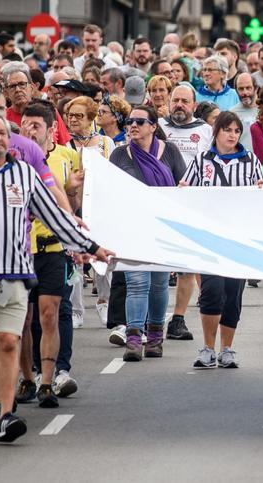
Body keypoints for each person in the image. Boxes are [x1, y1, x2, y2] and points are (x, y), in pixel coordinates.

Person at [0, 112, 110, 443]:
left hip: (14, 275)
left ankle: (5, 413)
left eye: (3, 133)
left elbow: (54, 215)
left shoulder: (24, 175)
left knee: (7, 341)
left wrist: (91, 247)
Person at [181, 112, 263, 370]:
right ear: (216, 132)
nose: (232, 135)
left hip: (238, 239)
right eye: (227, 130)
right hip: (209, 238)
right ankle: (208, 347)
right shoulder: (201, 160)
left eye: (236, 131)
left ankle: (227, 348)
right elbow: (185, 190)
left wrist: (261, 191)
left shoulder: (250, 161)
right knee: (212, 292)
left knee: (232, 295)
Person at [16, 102, 83, 409]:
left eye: (35, 126)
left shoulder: (62, 157)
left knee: (49, 315)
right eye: (24, 125)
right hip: (18, 251)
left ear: (50, 129)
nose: (29, 130)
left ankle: (46, 381)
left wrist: (75, 240)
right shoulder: (13, 159)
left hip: (52, 248)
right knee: (24, 319)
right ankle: (26, 378)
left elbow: (66, 199)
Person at [109, 105, 188, 361]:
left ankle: (155, 338)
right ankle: (134, 339)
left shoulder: (171, 151)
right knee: (137, 283)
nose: (133, 125)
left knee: (158, 285)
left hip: (163, 228)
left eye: (140, 122)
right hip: (132, 228)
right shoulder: (119, 155)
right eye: (130, 121)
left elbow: (184, 187)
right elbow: (111, 192)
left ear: (153, 126)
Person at [229, 72, 258, 150]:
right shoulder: (232, 114)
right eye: (241, 89)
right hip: (242, 159)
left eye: (248, 88)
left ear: (256, 88)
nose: (245, 93)